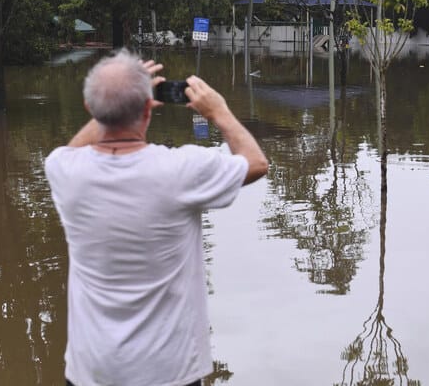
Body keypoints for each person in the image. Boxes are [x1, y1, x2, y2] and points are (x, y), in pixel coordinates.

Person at [45, 49, 268, 386]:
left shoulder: (63, 170)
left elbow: (75, 149)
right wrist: (219, 111)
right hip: (168, 373)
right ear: (148, 109)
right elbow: (256, 163)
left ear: (90, 110)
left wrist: (117, 98)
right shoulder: (181, 170)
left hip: (91, 371)